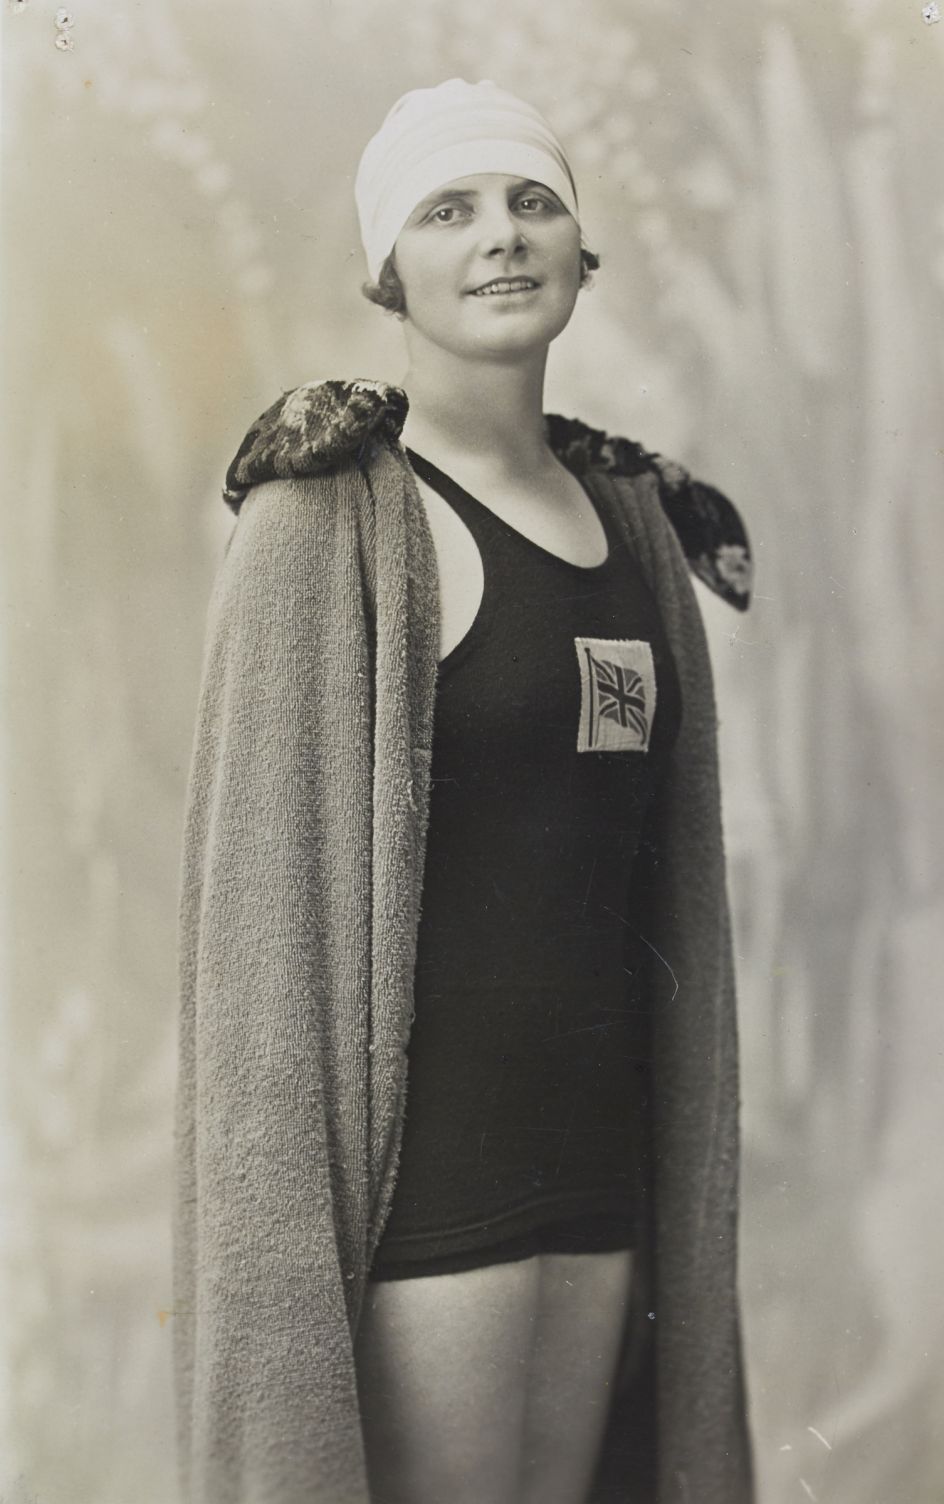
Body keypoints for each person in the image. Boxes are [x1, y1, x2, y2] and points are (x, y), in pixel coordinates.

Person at [172, 79, 756, 1504]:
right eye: (451, 210)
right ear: (392, 269)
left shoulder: (628, 519)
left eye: (532, 201)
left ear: (577, 250)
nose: (501, 237)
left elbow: (655, 889)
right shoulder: (331, 518)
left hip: (601, 1186)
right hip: (427, 1206)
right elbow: (259, 946)